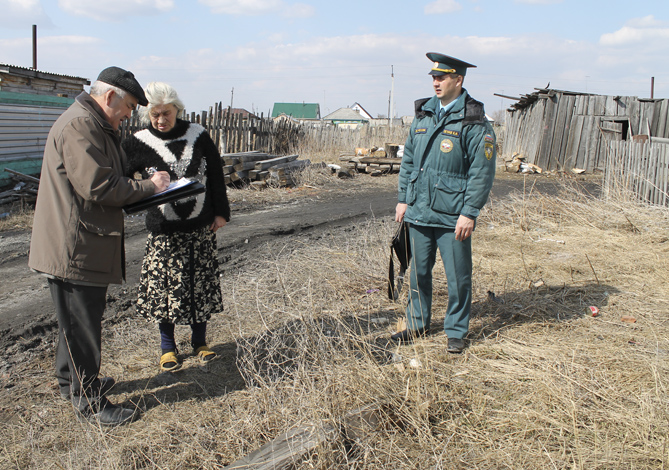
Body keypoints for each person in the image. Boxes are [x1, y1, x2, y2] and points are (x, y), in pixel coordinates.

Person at [29, 66, 171, 426]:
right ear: (109, 97)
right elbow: (100, 186)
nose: (128, 116)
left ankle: (71, 381)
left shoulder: (94, 124)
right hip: (75, 246)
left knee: (74, 323)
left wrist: (137, 183)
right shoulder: (80, 126)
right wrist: (150, 187)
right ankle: (89, 400)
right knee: (83, 325)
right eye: (127, 107)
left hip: (80, 241)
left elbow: (112, 175)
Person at [391, 52, 496, 353]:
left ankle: (456, 330)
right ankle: (416, 323)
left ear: (458, 80)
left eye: (442, 77)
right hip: (420, 210)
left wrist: (470, 211)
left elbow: (482, 171)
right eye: (433, 77)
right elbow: (409, 160)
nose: (436, 82)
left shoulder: (474, 120)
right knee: (417, 272)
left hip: (453, 215)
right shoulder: (423, 114)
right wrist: (403, 199)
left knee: (458, 277)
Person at [122, 82, 230, 372]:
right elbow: (121, 178)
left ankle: (200, 343)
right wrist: (143, 188)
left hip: (199, 227)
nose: (161, 120)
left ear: (177, 109)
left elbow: (217, 175)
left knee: (200, 285)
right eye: (155, 114)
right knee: (165, 290)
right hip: (163, 231)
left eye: (166, 113)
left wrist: (221, 213)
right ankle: (168, 348)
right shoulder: (137, 141)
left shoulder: (198, 135)